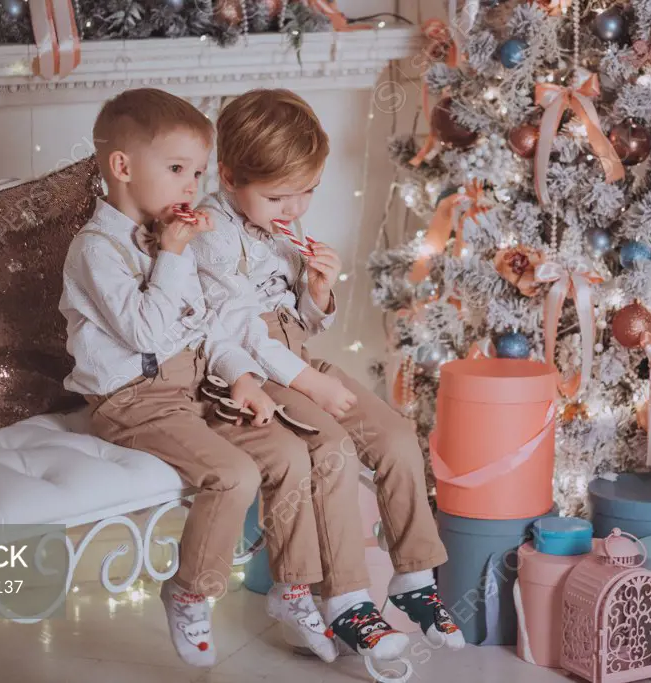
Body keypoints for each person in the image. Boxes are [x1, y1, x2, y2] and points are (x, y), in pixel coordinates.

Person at [60, 88, 338, 667]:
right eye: (178, 170)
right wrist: (174, 254)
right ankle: (191, 590)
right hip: (132, 402)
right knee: (233, 474)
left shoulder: (174, 236)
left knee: (288, 452)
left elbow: (208, 327)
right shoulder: (96, 249)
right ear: (123, 167)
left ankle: (293, 588)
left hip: (192, 388)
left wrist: (241, 378)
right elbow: (146, 332)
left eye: (198, 172)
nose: (192, 186)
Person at [192, 88, 465, 660]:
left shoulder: (277, 228)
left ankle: (414, 576)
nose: (294, 209)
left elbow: (302, 325)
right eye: (278, 197)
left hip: (296, 358)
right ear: (227, 175)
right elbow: (239, 332)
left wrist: (318, 294)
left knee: (394, 436)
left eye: (308, 192)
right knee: (334, 448)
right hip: (255, 374)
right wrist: (308, 382)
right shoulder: (213, 232)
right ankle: (344, 598)